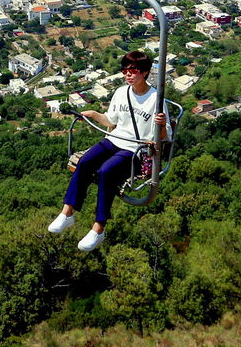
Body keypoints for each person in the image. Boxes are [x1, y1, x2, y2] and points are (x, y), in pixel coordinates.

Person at [48, 50, 169, 252]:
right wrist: (94, 114)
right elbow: (111, 122)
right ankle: (67, 212)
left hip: (135, 149)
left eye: (134, 71)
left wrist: (162, 125)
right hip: (115, 139)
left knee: (106, 171)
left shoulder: (156, 100)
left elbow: (163, 138)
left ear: (146, 72)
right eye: (125, 70)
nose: (129, 75)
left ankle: (99, 227)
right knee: (85, 161)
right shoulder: (121, 92)